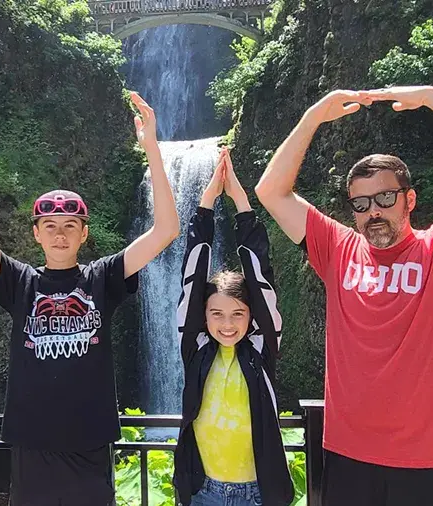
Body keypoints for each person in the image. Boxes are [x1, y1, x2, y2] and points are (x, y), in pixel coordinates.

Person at [255, 85, 433, 506]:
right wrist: (313, 116)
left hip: (430, 459)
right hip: (348, 455)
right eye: (361, 204)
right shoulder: (337, 249)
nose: (373, 212)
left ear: (409, 199)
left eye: (384, 198)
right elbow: (270, 191)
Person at [0, 75, 180, 505]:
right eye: (49, 226)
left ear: (84, 234)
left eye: (70, 225)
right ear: (36, 234)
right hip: (32, 444)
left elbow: (166, 230)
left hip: (90, 444)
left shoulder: (102, 278)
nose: (60, 234)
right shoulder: (19, 282)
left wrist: (152, 148)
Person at [174, 148, 293, 506]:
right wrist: (205, 204)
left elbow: (261, 276)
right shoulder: (195, 346)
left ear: (252, 316)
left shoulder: (261, 349)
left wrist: (241, 201)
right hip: (203, 491)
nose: (227, 324)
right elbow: (192, 276)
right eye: (217, 314)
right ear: (203, 316)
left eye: (238, 314)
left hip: (257, 492)